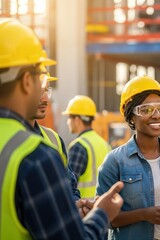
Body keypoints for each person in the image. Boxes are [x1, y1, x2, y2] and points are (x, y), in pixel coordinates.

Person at [0, 18, 123, 239]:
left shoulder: (52, 141)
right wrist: (102, 214)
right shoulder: (34, 157)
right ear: (27, 81)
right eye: (41, 80)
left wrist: (70, 206)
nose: (45, 95)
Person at [96, 75, 160, 240]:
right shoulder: (114, 162)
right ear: (131, 116)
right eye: (147, 110)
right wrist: (143, 215)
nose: (157, 115)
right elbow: (103, 218)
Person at [29, 65, 94, 217]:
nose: (45, 98)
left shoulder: (54, 139)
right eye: (39, 90)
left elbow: (69, 187)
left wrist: (75, 206)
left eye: (47, 89)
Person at [62, 95, 111, 199]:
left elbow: (68, 186)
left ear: (77, 120)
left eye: (68, 118)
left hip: (84, 210)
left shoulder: (78, 146)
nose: (67, 122)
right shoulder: (105, 144)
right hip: (104, 208)